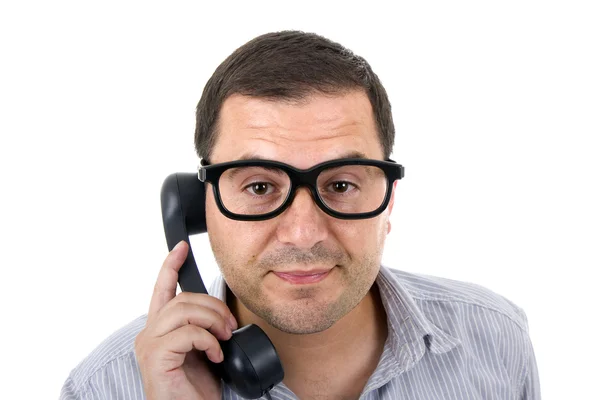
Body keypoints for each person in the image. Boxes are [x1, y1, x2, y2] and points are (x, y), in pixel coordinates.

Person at [60, 30, 540, 399]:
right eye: (261, 187)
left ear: (390, 199)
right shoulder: (106, 387)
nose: (303, 232)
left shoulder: (496, 340)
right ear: (198, 207)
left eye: (342, 185)